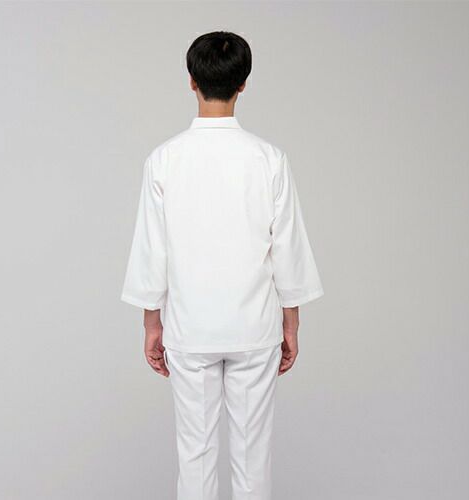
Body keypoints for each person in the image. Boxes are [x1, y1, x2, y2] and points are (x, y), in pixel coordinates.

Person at [121, 30, 324, 500]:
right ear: (243, 83)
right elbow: (287, 246)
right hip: (254, 328)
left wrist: (152, 324)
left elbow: (152, 249)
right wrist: (291, 323)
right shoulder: (268, 159)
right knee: (253, 458)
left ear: (191, 81)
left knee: (194, 456)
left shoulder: (164, 160)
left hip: (190, 329)